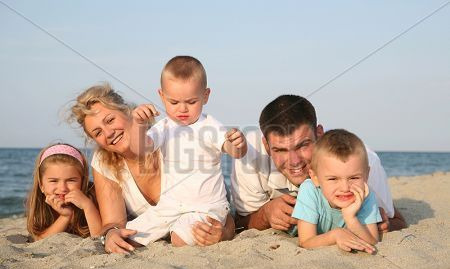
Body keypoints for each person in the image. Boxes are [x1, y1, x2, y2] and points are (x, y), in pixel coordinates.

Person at [69, 83, 235, 254]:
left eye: (110, 120)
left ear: (127, 112)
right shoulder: (104, 161)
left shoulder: (167, 138)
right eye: (98, 133)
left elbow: (221, 211)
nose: (108, 133)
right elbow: (113, 222)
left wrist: (223, 234)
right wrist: (111, 235)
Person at [231, 95, 406, 243]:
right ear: (267, 146)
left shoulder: (358, 161)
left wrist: (384, 225)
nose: (294, 161)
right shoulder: (249, 155)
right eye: (280, 150)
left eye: (303, 145)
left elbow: (396, 220)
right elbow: (239, 222)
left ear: (319, 134)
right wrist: (265, 214)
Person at [127, 56, 247, 246]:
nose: (182, 109)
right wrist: (138, 125)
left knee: (180, 239)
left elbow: (234, 151)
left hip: (206, 207)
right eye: (173, 102)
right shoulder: (164, 126)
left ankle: (180, 231)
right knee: (129, 236)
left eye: (191, 102)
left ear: (205, 96)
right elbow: (140, 149)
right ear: (161, 96)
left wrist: (238, 144)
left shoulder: (209, 126)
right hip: (169, 206)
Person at [294, 129, 381, 253]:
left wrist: (351, 219)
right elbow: (305, 242)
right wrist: (335, 235)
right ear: (315, 178)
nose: (345, 188)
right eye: (333, 178)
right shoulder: (309, 190)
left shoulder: (366, 195)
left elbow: (372, 242)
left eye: (354, 178)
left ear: (366, 175)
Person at [26, 143, 102, 240]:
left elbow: (100, 238)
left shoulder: (94, 196)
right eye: (54, 181)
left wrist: (88, 206)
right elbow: (40, 240)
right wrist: (65, 216)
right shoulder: (39, 205)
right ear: (41, 186)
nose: (63, 188)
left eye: (71, 180)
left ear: (82, 182)